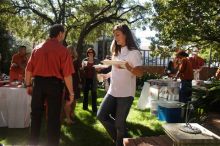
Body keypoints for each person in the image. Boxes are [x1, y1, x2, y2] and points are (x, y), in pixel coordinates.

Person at [25, 24, 74, 146]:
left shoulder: (37, 48)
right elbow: (67, 75)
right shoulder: (63, 50)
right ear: (60, 34)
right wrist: (71, 93)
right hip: (54, 85)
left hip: (38, 84)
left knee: (35, 116)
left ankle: (32, 143)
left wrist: (28, 85)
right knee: (53, 118)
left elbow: (28, 70)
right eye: (63, 33)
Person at [97, 24, 142, 146]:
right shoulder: (116, 52)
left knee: (119, 124)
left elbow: (139, 73)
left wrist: (128, 66)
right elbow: (116, 70)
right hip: (113, 91)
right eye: (114, 35)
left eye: (118, 35)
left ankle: (119, 142)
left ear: (125, 35)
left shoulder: (134, 53)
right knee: (101, 115)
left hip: (126, 93)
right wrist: (107, 75)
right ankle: (122, 137)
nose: (115, 38)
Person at [64, 45, 81, 124]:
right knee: (68, 100)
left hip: (76, 81)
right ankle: (68, 118)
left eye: (71, 49)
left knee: (74, 99)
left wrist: (80, 82)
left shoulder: (77, 60)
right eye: (68, 49)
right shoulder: (64, 59)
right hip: (68, 81)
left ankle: (72, 112)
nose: (70, 51)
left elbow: (79, 72)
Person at [81, 48, 99, 113]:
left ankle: (94, 109)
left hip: (93, 79)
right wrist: (82, 68)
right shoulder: (85, 60)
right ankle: (85, 107)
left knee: (94, 94)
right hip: (86, 79)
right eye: (89, 52)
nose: (90, 53)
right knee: (85, 94)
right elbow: (82, 70)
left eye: (91, 52)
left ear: (93, 53)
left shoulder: (96, 60)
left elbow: (98, 70)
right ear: (87, 53)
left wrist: (98, 69)